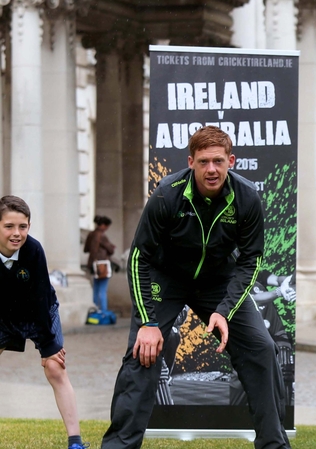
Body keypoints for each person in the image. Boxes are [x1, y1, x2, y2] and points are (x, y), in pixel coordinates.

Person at [101, 126, 291, 449]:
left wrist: (225, 311)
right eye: (203, 162)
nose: (211, 169)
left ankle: (274, 444)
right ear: (191, 162)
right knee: (143, 354)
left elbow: (251, 260)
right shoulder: (166, 193)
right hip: (166, 278)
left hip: (218, 281)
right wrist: (148, 322)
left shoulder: (247, 198)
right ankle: (119, 445)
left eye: (218, 161)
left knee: (262, 348)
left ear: (231, 161)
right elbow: (138, 259)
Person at [0, 195, 88, 449]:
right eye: (9, 227)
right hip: (3, 316)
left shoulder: (34, 250)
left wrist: (49, 345)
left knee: (55, 368)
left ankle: (75, 442)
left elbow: (40, 299)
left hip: (39, 310)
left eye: (23, 227)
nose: (17, 234)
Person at [84, 215, 115, 312]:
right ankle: (104, 312)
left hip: (94, 264)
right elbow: (110, 250)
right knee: (102, 289)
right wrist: (111, 247)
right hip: (103, 264)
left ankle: (95, 310)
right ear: (103, 225)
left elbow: (86, 249)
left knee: (96, 289)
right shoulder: (102, 235)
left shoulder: (91, 234)